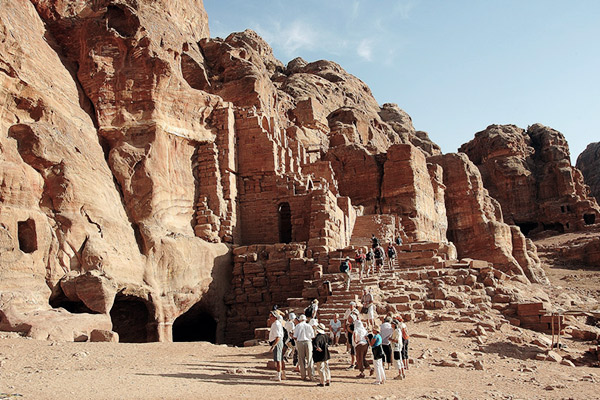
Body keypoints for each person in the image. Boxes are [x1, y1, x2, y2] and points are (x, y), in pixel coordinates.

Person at [294, 314, 315, 381]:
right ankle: (311, 375)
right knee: (310, 359)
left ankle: (303, 375)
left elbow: (295, 336)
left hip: (300, 342)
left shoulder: (297, 326)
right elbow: (312, 336)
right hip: (308, 342)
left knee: (301, 359)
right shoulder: (309, 326)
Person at [268, 311, 285, 381]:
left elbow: (278, 336)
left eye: (271, 316)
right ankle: (281, 374)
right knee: (279, 359)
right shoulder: (275, 324)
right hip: (276, 342)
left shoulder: (276, 324)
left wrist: (274, 345)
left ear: (275, 317)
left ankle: (278, 375)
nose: (269, 318)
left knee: (278, 360)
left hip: (277, 342)